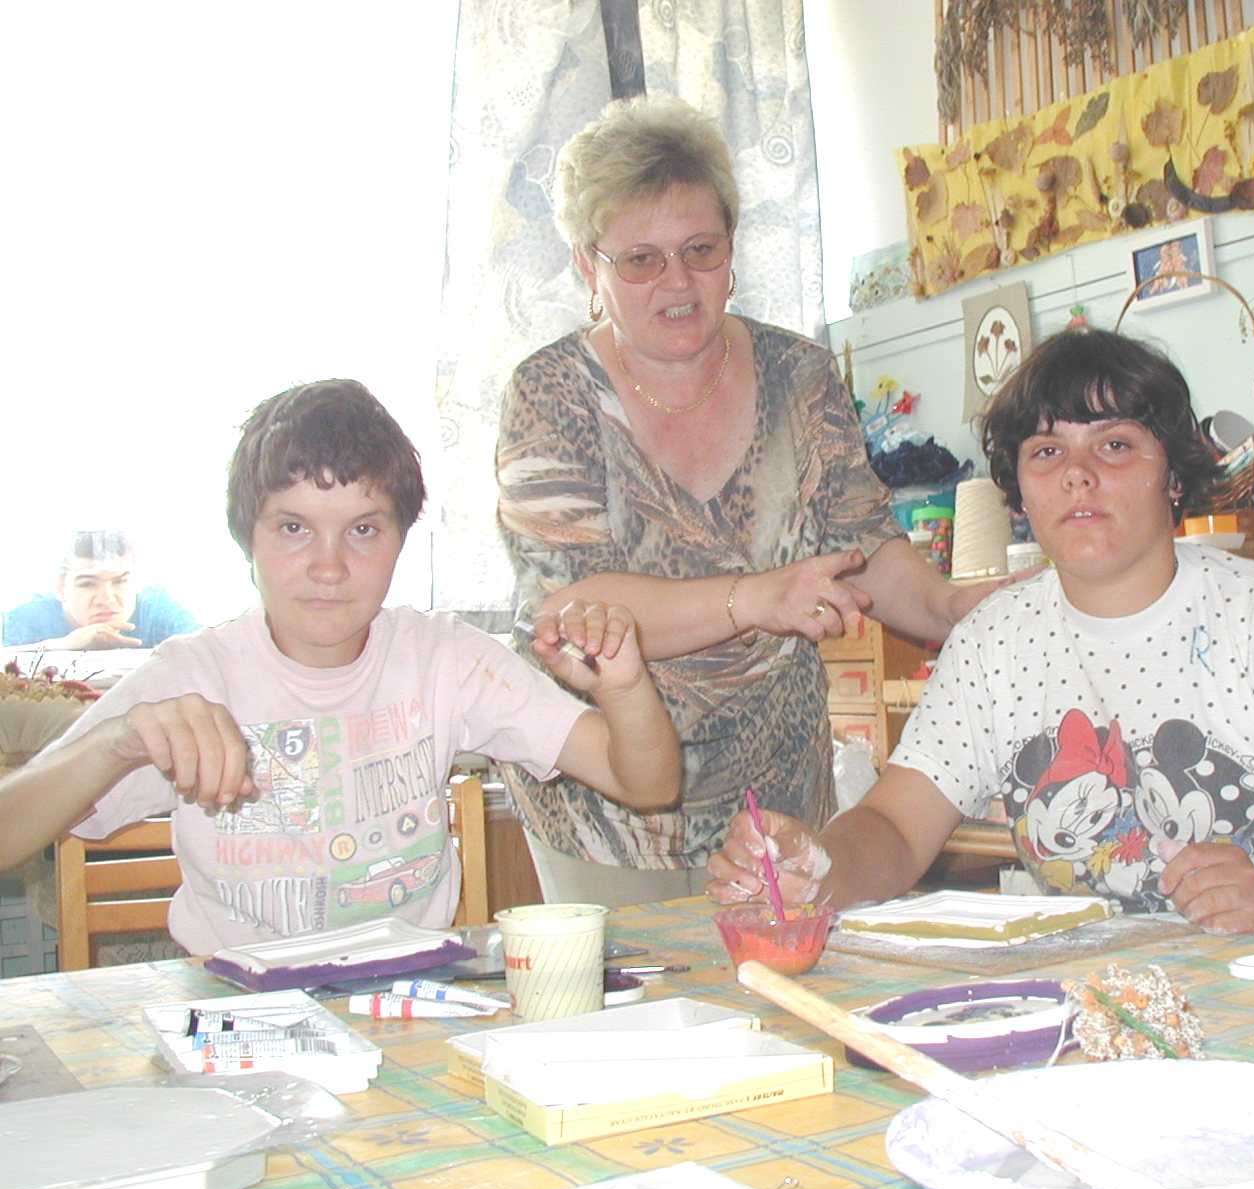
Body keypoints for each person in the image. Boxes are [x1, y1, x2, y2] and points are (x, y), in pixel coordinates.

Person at [710, 329, 1254, 946]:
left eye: (1115, 445)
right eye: (1047, 453)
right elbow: (895, 829)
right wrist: (815, 869)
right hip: (1094, 1017)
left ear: (1174, 477)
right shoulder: (995, 641)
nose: (1079, 475)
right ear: (1018, 491)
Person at [496, 95, 1004, 905]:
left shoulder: (797, 375)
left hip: (778, 792)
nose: (678, 281)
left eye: (702, 249)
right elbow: (575, 606)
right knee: (643, 1024)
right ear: (587, 267)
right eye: (641, 260)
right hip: (612, 798)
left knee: (786, 1010)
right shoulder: (550, 393)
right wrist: (757, 599)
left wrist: (949, 606)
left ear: (732, 248)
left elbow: (862, 544)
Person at [0, 380, 680, 955]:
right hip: (235, 1013)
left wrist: (624, 687)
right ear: (248, 538)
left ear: (401, 540)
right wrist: (119, 740)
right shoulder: (192, 675)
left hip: (407, 1004)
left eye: (363, 529)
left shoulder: (444, 658)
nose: (329, 567)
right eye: (293, 528)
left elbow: (644, 782)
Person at [3, 529, 200, 650]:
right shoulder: (24, 621)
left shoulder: (159, 613)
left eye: (120, 582)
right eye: (88, 584)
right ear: (61, 588)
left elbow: (208, 655)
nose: (106, 599)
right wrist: (63, 645)